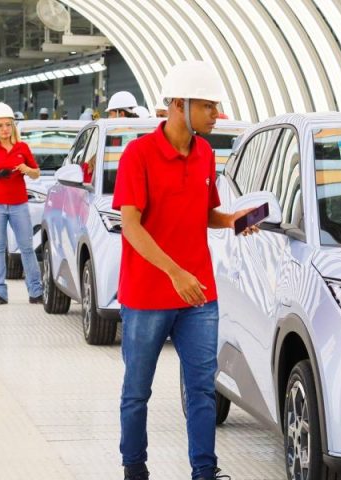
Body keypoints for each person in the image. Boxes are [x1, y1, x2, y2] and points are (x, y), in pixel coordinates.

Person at [112, 60, 257, 480]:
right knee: (137, 391)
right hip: (146, 295)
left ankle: (204, 472)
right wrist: (174, 272)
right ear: (179, 104)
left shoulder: (207, 153)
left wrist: (231, 220)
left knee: (201, 390)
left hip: (199, 294)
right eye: (209, 106)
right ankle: (135, 469)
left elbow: (204, 212)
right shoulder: (138, 154)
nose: (216, 114)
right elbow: (130, 225)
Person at [0, 102, 44, 306]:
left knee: (27, 247)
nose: (4, 129)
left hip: (19, 204)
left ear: (13, 126)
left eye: (8, 125)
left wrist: (26, 169)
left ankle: (36, 291)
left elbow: (36, 172)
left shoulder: (22, 148)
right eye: (0, 125)